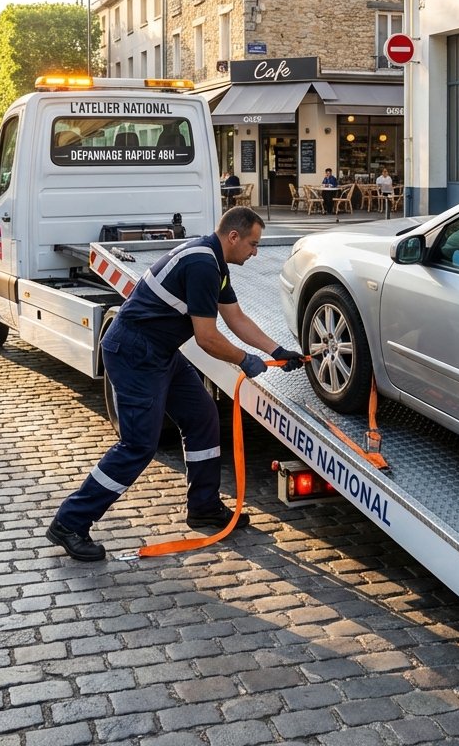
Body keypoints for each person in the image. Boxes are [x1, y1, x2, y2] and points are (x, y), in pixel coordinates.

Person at [47, 205, 306, 561]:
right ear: (233, 237)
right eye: (253, 244)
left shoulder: (215, 263)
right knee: (138, 445)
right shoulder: (202, 265)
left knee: (202, 418)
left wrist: (278, 350)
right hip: (135, 353)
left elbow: (236, 317)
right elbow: (207, 338)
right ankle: (70, 522)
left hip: (161, 352)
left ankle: (203, 506)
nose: (256, 252)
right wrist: (245, 359)